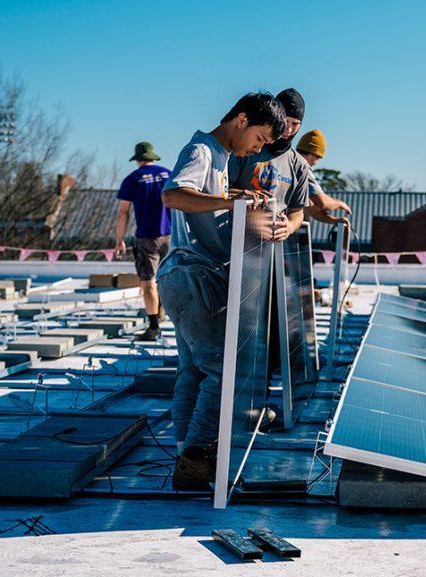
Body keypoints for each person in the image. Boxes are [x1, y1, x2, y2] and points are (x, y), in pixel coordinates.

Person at [156, 92, 293, 491]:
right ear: (241, 120)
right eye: (260, 138)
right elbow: (173, 195)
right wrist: (230, 199)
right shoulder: (203, 149)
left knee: (194, 371)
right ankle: (197, 456)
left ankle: (186, 451)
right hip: (192, 277)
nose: (259, 148)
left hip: (184, 277)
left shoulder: (222, 160)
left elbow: (203, 203)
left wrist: (238, 197)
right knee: (219, 369)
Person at [228, 88, 311, 235]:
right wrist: (244, 199)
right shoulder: (247, 149)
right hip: (233, 238)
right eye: (285, 121)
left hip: (269, 249)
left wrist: (290, 226)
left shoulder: (299, 165)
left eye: (295, 123)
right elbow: (220, 191)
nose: (289, 129)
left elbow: (297, 211)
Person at [114, 142, 171, 341]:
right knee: (168, 278)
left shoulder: (132, 179)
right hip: (171, 235)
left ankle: (153, 326)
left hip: (147, 237)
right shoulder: (169, 174)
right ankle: (163, 310)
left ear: (137, 159)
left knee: (148, 282)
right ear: (153, 157)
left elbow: (123, 214)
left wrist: (119, 240)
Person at [295, 129, 353, 225]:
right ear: (313, 154)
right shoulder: (302, 166)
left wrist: (334, 220)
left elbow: (309, 205)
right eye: (318, 158)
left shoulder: (288, 161)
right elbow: (322, 203)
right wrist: (340, 203)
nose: (316, 163)